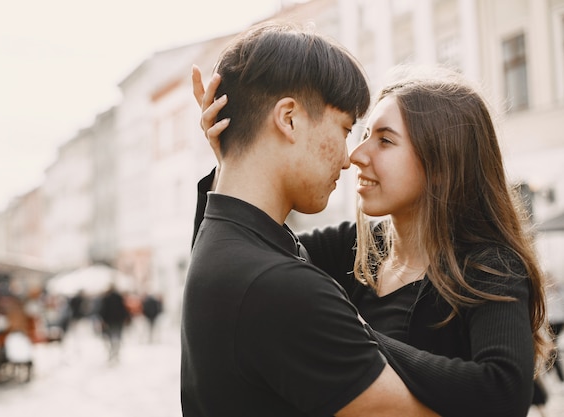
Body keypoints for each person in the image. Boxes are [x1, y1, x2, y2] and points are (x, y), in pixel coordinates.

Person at [192, 60, 553, 416]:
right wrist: (233, 160)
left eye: (384, 140)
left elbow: (504, 394)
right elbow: (238, 263)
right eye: (364, 135)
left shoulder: (489, 266)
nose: (357, 155)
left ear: (442, 165)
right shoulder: (355, 246)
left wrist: (345, 331)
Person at [181, 22, 438, 417]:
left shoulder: (222, 240)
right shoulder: (280, 286)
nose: (348, 158)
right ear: (289, 118)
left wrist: (232, 158)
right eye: (345, 129)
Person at [97, 284, 130, 363]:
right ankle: (116, 351)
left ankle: (113, 351)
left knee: (111, 336)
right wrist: (126, 318)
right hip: (118, 320)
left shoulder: (106, 298)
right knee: (117, 335)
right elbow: (123, 309)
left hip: (110, 321)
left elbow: (103, 310)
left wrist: (103, 320)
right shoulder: (118, 297)